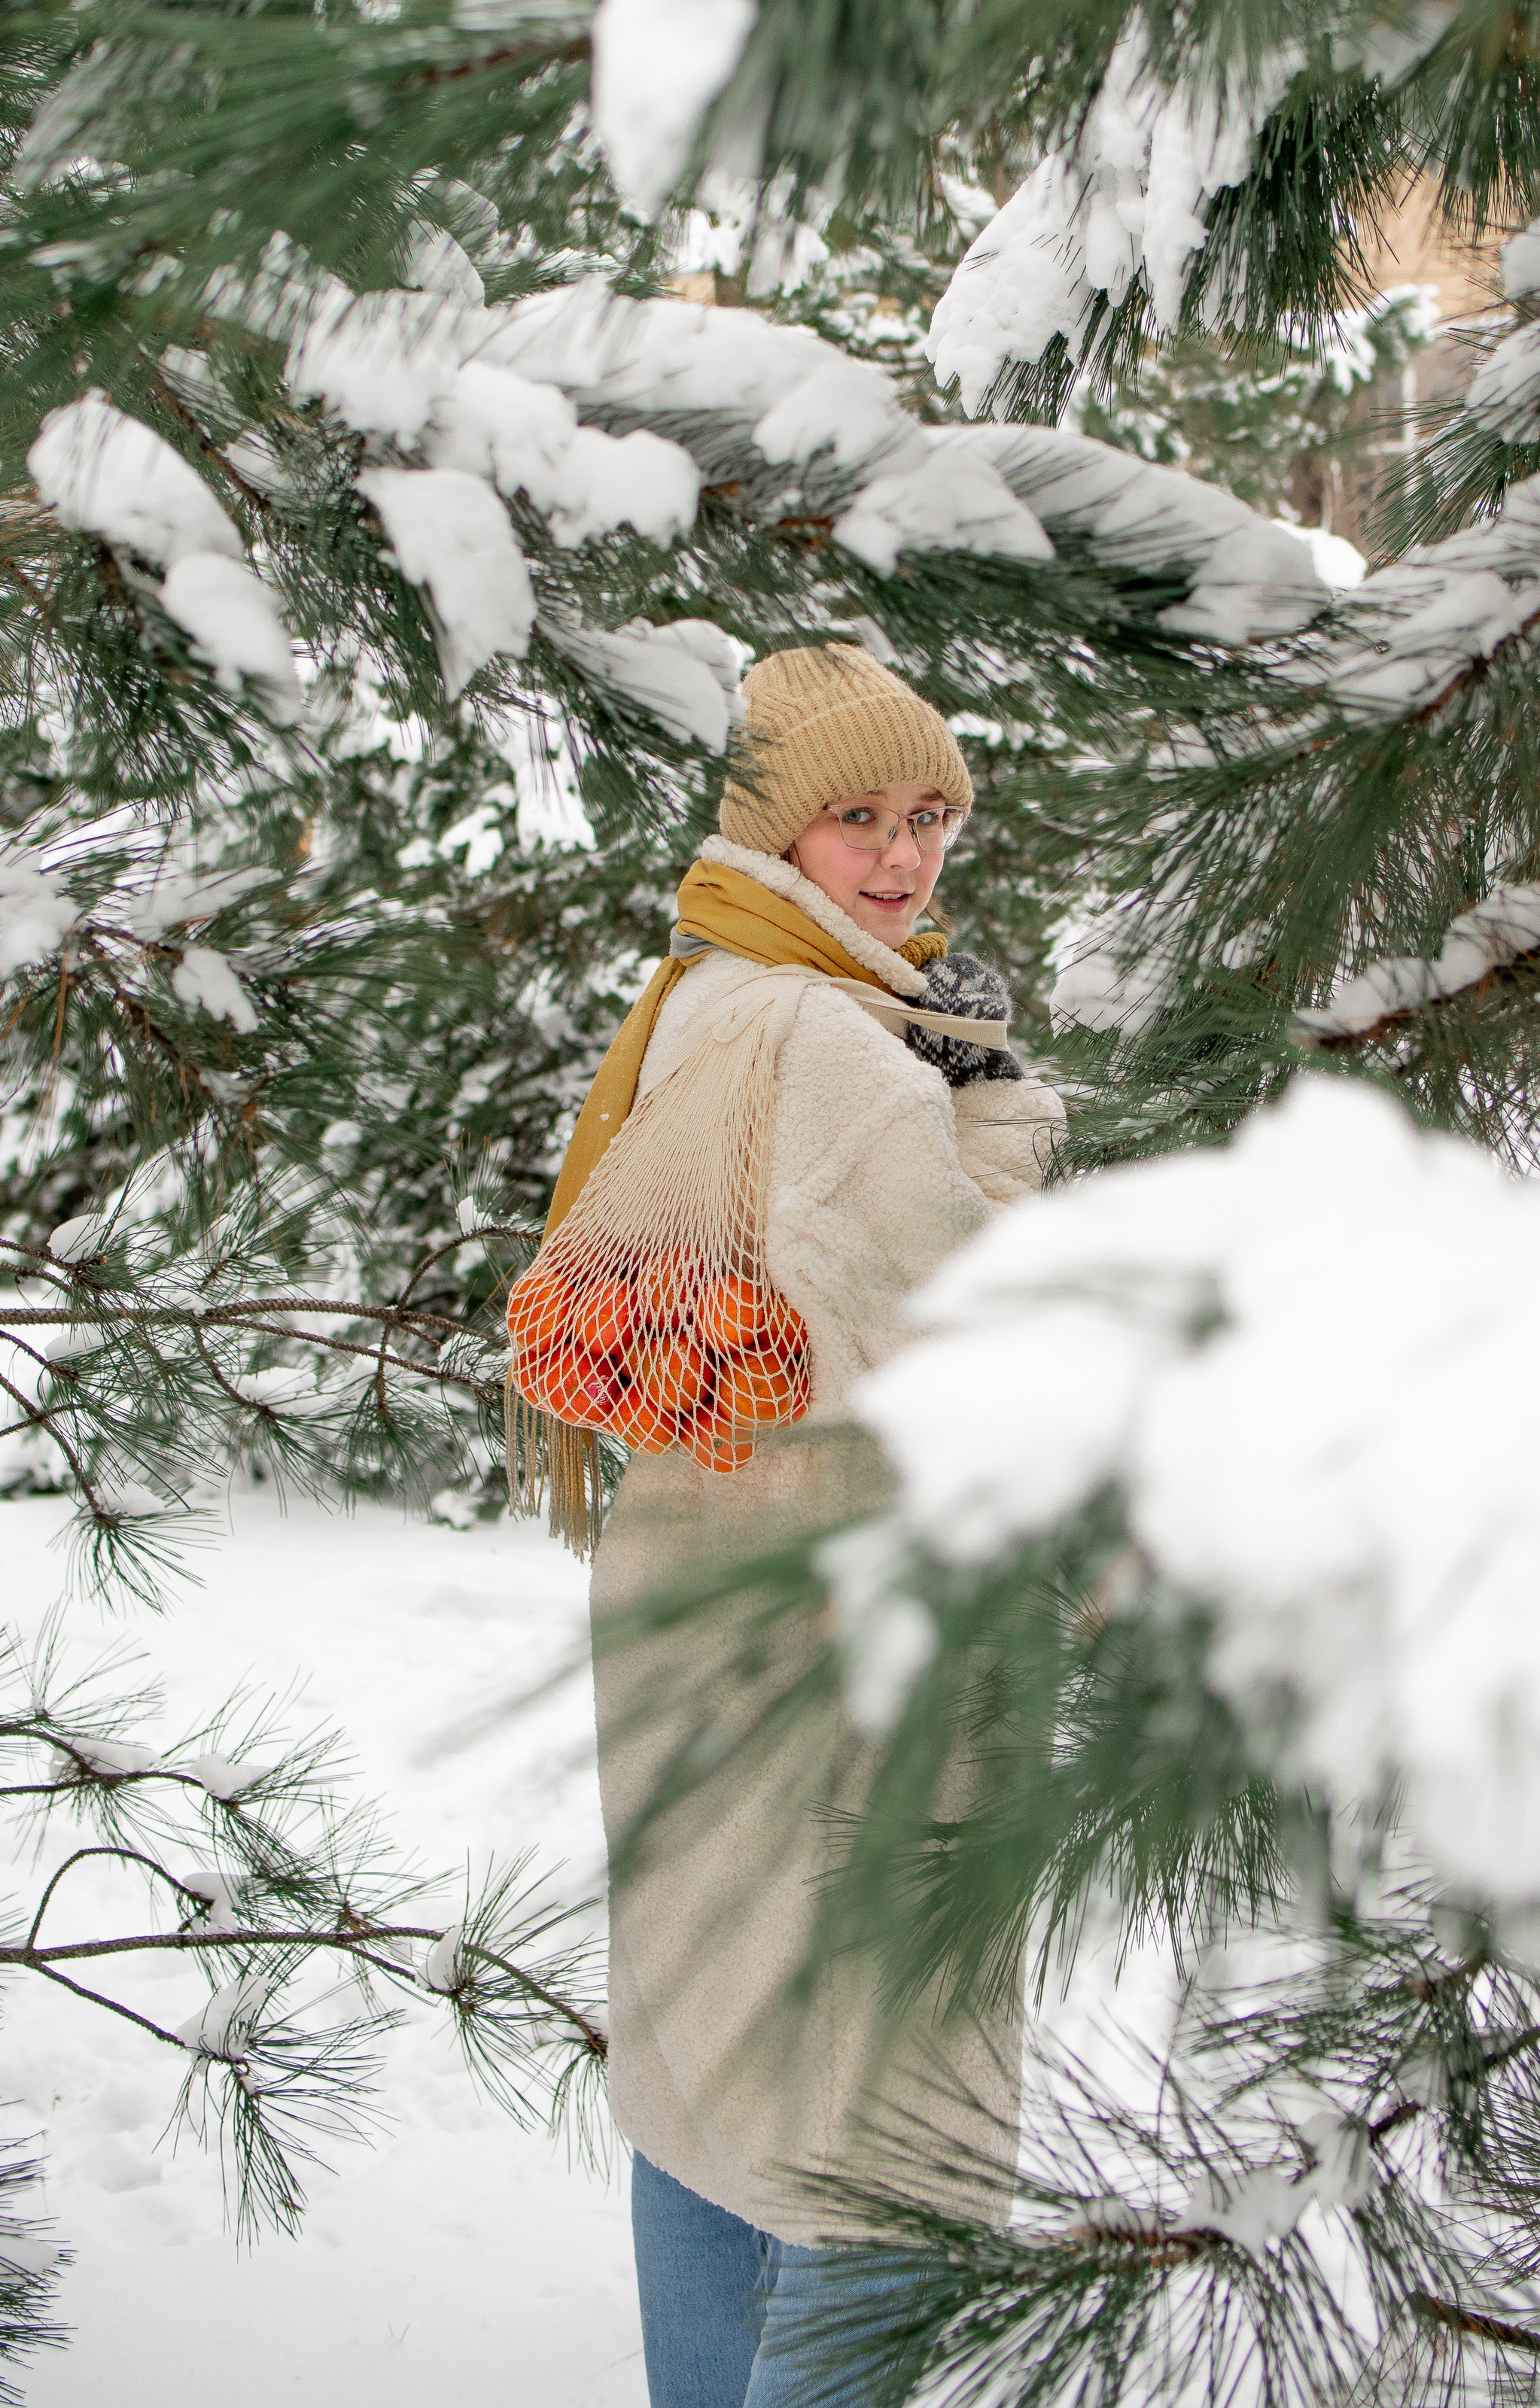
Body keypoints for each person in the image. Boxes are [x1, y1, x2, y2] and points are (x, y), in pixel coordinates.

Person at [554, 645, 1064, 2408]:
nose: (905, 855)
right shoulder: (823, 1033)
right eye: (857, 816)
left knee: (715, 2077)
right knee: (884, 2135)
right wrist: (1010, 1134)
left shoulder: (718, 986)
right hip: (851, 1626)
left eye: (928, 815)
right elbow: (953, 1327)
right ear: (776, 823)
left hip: (713, 1592)